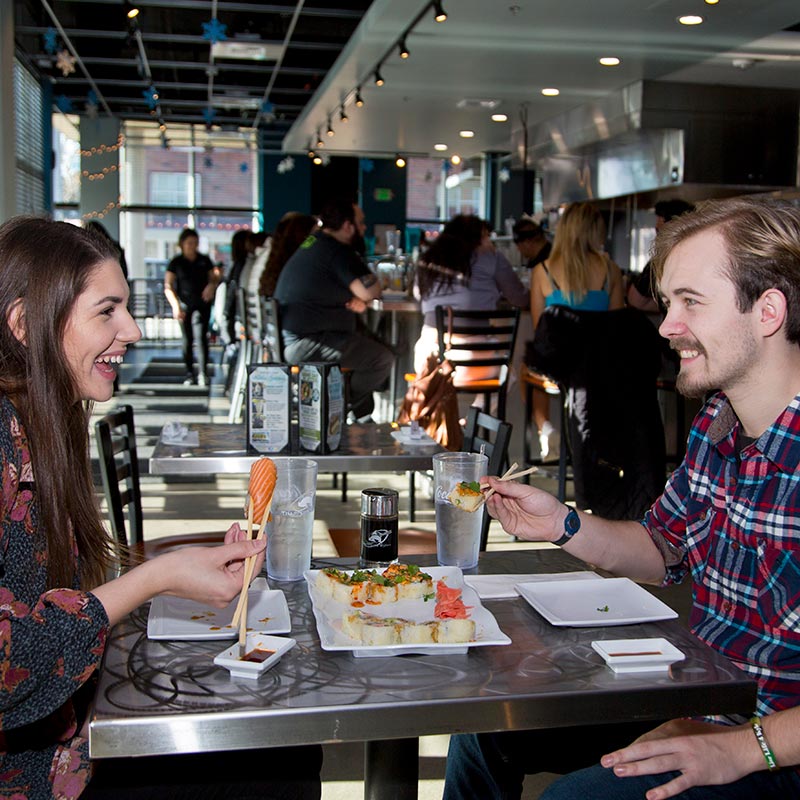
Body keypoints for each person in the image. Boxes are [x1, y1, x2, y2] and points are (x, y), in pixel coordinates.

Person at [444, 196, 800, 800]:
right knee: (484, 721)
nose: (666, 326)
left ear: (766, 312)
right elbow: (663, 549)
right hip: (702, 697)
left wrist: (744, 747)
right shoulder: (718, 423)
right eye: (668, 304)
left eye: (691, 302)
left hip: (775, 744)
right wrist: (564, 524)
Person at [0, 217, 321, 799]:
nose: (132, 329)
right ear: (25, 323)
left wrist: (168, 577)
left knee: (290, 747)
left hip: (75, 722)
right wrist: (154, 578)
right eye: (107, 311)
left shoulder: (44, 423)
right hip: (38, 771)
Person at [274, 197, 393, 420]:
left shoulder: (313, 242)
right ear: (348, 226)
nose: (364, 227)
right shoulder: (338, 251)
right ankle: (342, 406)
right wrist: (365, 297)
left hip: (294, 339)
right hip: (309, 344)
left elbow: (355, 291)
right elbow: (371, 290)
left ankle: (349, 409)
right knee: (382, 358)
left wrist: (360, 298)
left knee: (368, 349)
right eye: (361, 222)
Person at [529, 202, 625, 460]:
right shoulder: (611, 271)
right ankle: (594, 443)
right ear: (596, 231)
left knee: (528, 370)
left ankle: (546, 429)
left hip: (558, 366)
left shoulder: (543, 271)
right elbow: (617, 324)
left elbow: (541, 330)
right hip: (599, 367)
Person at [412, 214, 528, 375]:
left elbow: (419, 296)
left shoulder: (427, 260)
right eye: (487, 236)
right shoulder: (492, 258)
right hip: (475, 361)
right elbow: (520, 298)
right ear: (477, 239)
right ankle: (483, 401)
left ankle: (455, 401)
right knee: (508, 373)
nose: (490, 242)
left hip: (430, 361)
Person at [164, 228, 219, 386]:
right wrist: (176, 306)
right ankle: (189, 373)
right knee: (187, 340)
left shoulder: (204, 260)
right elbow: (168, 286)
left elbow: (214, 278)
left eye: (195, 243)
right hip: (184, 306)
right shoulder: (176, 263)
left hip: (202, 305)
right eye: (189, 243)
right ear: (182, 244)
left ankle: (203, 372)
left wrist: (211, 286)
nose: (192, 246)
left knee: (201, 337)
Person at [627, 198, 696, 313]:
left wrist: (666, 305)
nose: (657, 237)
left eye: (658, 231)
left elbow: (635, 299)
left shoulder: (662, 261)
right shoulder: (704, 257)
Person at [259, 212, 318, 299]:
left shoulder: (275, 258)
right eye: (313, 236)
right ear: (303, 236)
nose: (317, 240)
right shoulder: (299, 263)